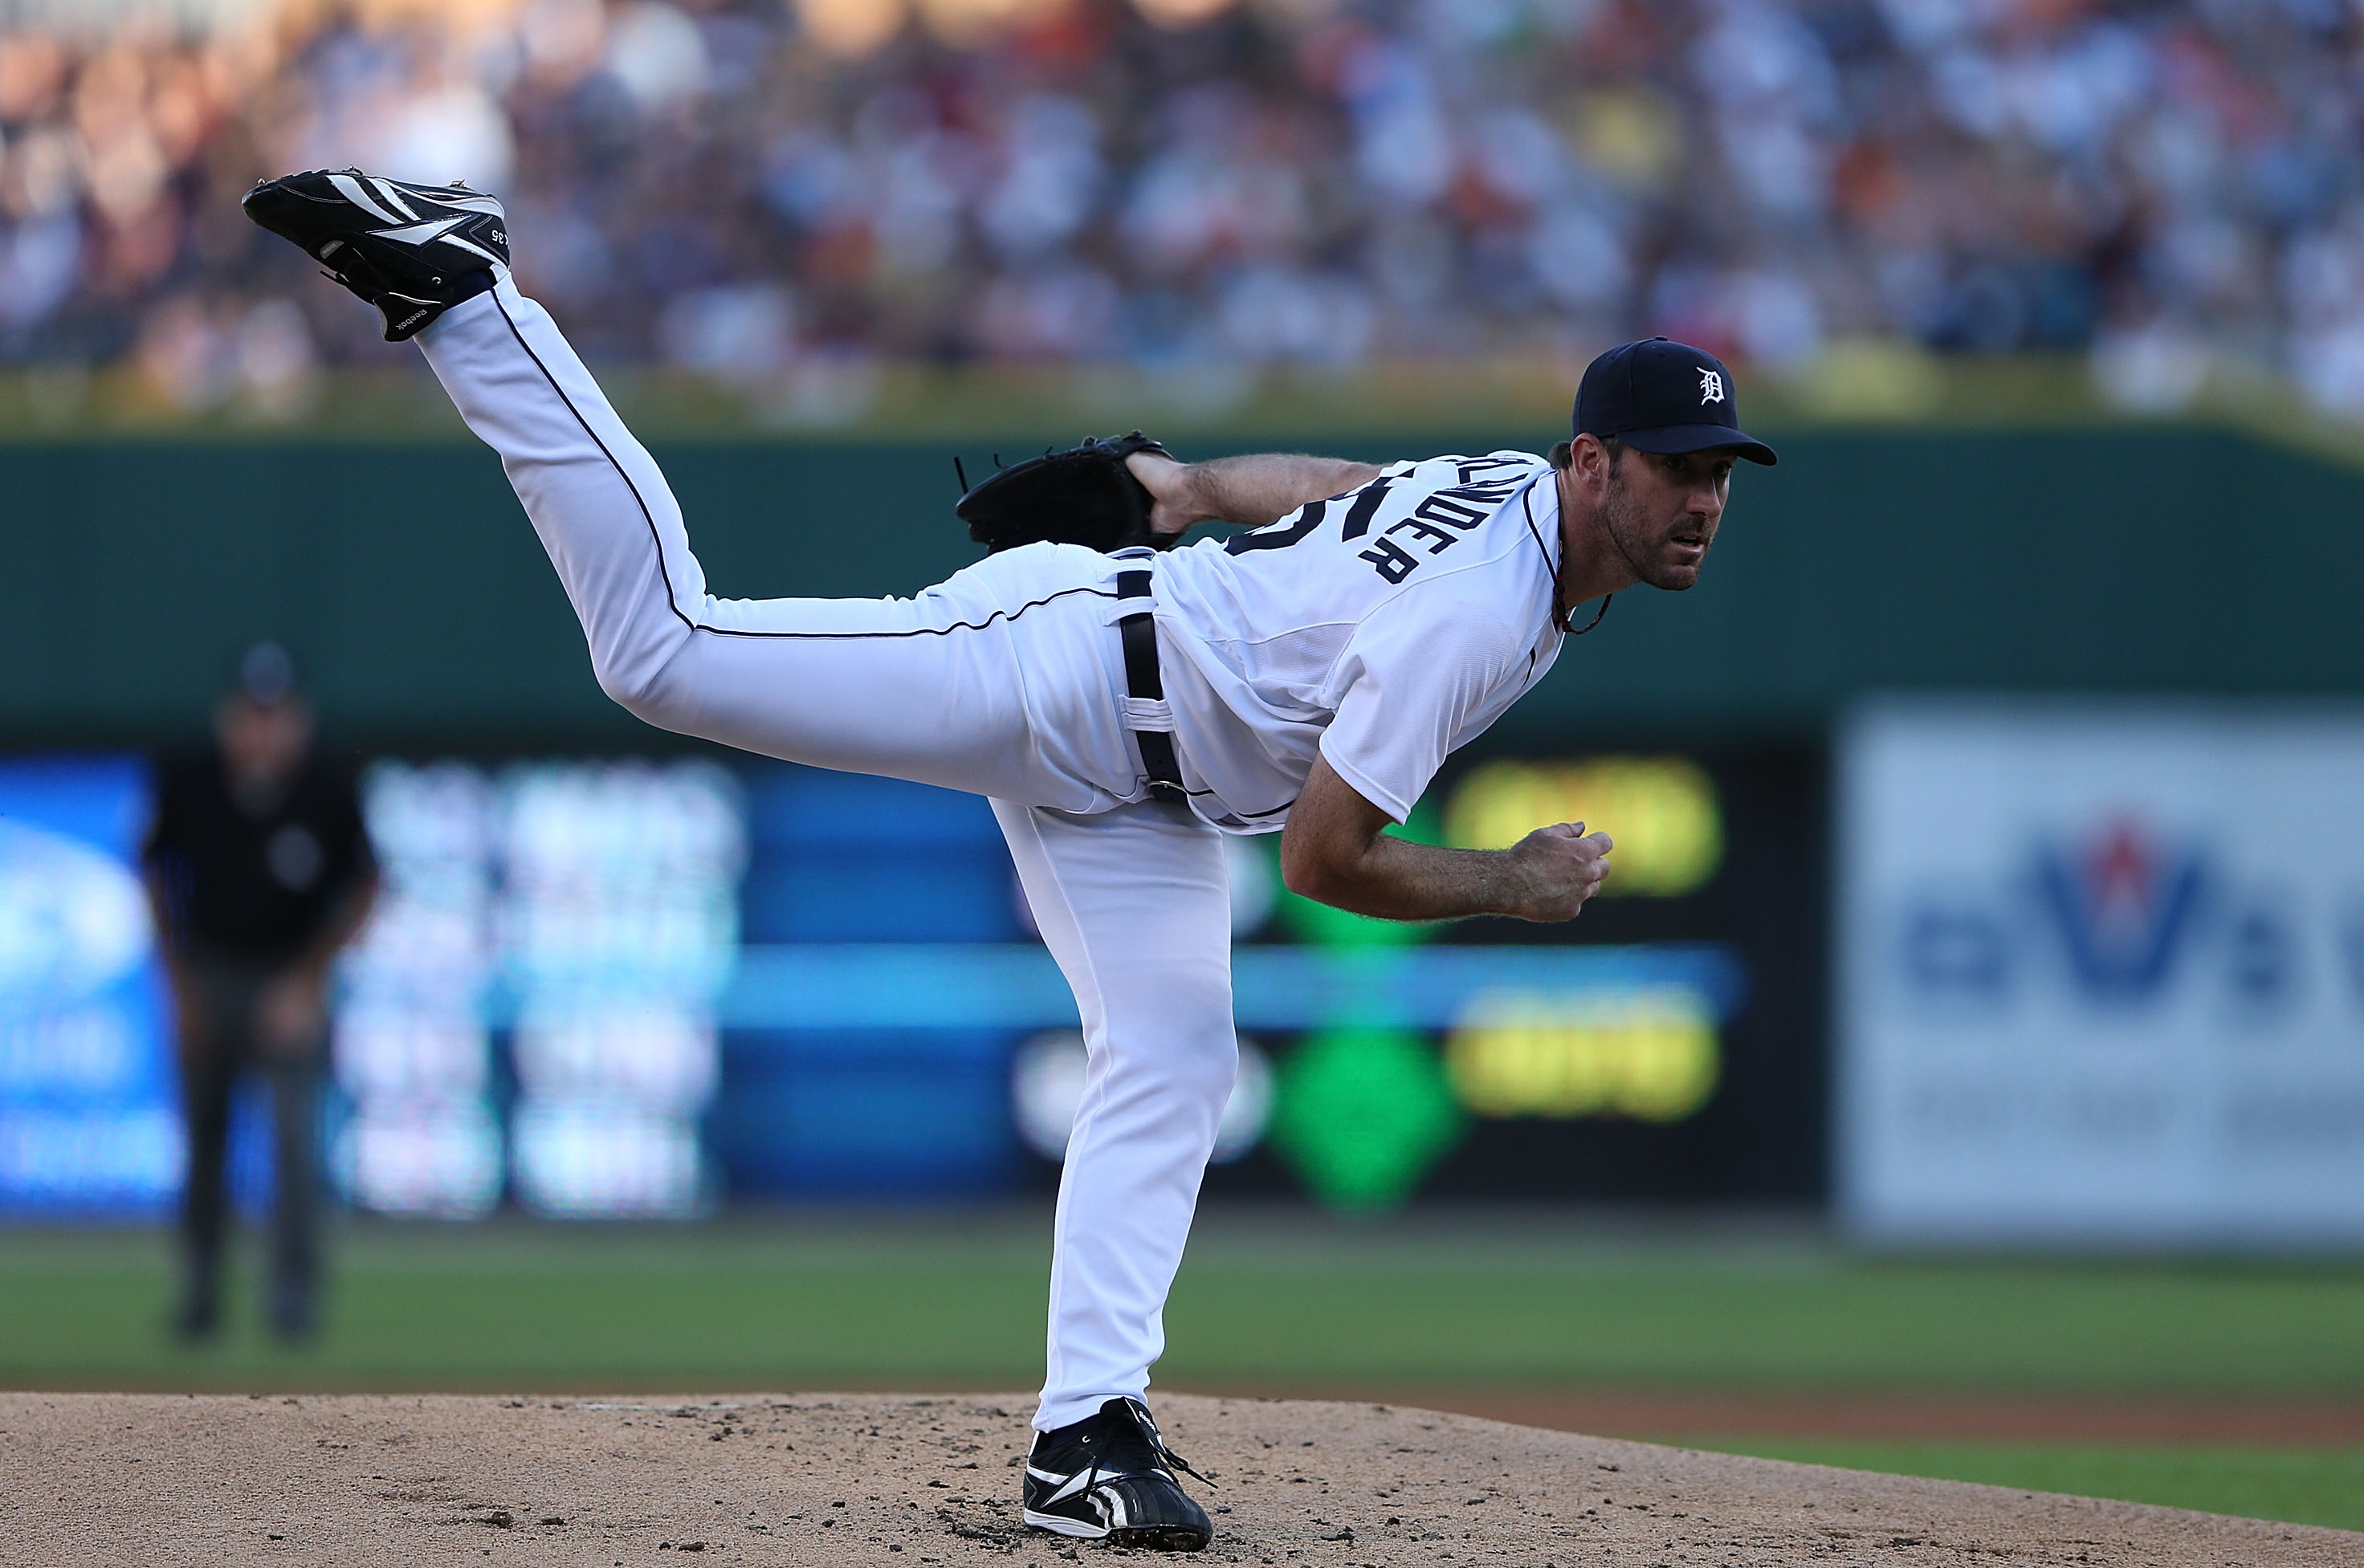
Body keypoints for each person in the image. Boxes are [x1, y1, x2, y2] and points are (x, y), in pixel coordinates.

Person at [242, 169, 1775, 1550]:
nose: (1701, 494)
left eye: (1716, 465)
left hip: (1152, 786)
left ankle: (1083, 1437)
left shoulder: (1511, 490)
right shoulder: (1483, 610)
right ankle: (468, 296)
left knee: (1173, 1056)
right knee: (664, 652)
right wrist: (1506, 881)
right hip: (1060, 671)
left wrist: (1189, 486)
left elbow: (1337, 490)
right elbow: (1323, 859)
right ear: (1589, 461)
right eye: (1671, 464)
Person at [142, 641, 378, 1343]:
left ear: (298, 719)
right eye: (252, 713)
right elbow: (154, 874)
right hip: (210, 970)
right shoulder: (191, 778)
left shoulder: (328, 786)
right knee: (204, 1145)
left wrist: (308, 982)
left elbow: (367, 886)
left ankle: (294, 1303)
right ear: (229, 717)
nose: (264, 729)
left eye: (277, 714)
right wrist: (180, 989)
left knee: (296, 1145)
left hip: (289, 976)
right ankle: (200, 1294)